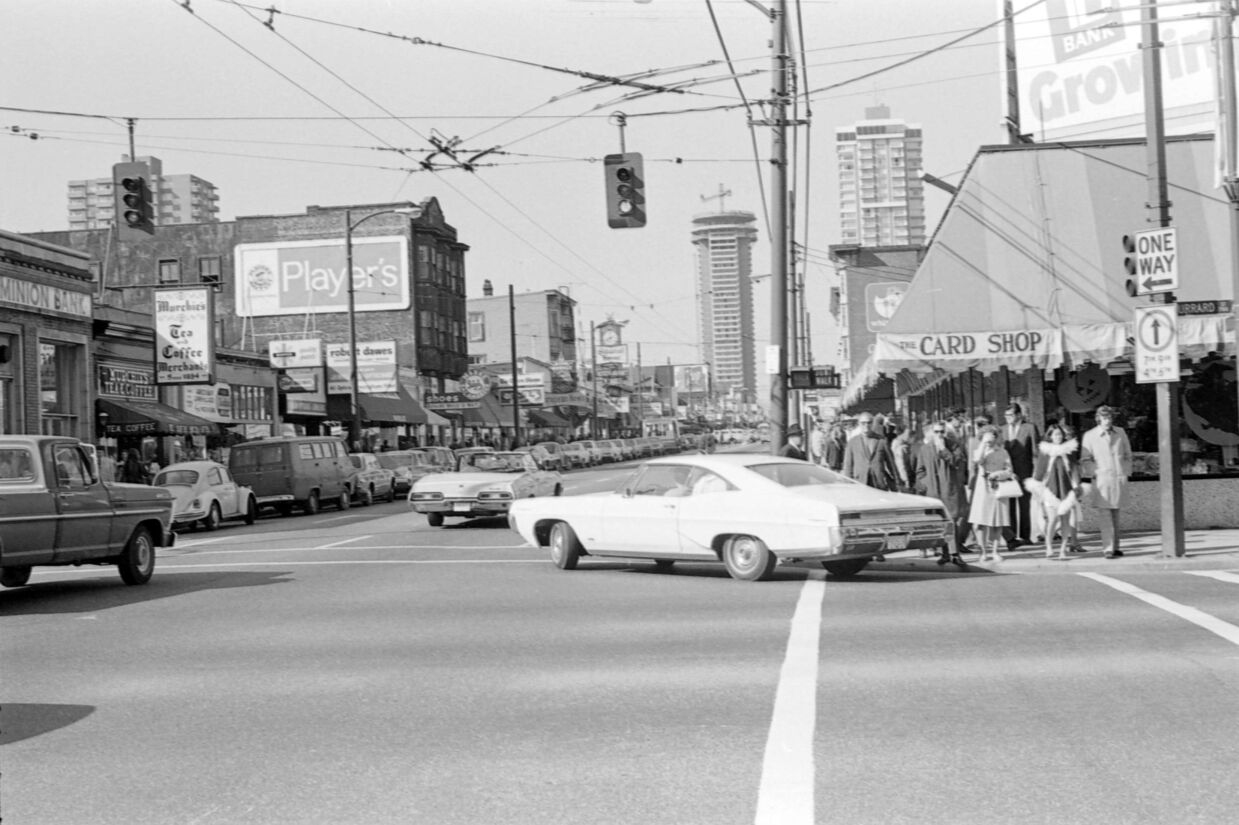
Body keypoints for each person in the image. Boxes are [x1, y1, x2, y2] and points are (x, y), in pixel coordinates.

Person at [914, 420, 969, 569]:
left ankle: (955, 554)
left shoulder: (954, 445)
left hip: (950, 489)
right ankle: (946, 553)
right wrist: (926, 483)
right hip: (934, 492)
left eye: (942, 432)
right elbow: (920, 470)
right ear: (932, 432)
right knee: (941, 523)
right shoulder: (925, 449)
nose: (939, 435)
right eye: (936, 432)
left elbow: (957, 462)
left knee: (952, 522)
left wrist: (944, 450)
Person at [1080, 406, 1132, 559]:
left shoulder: (1120, 432)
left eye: (1109, 418)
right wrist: (1094, 472)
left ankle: (1115, 547)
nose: (1107, 421)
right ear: (1098, 419)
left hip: (1118, 478)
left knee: (1116, 513)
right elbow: (1085, 459)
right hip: (1102, 480)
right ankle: (1107, 548)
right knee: (1104, 515)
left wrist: (1125, 471)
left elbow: (1128, 453)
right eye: (1104, 418)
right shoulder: (1090, 436)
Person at [1025, 423, 1083, 560]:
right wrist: (1036, 488)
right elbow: (1039, 472)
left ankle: (1063, 550)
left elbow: (1074, 470)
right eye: (1055, 434)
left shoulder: (1069, 450)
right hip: (1050, 489)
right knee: (1052, 519)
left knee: (1065, 521)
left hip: (1066, 488)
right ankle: (1049, 546)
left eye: (1060, 434)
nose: (1059, 436)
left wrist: (1077, 487)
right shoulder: (1045, 451)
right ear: (1050, 436)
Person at [967, 425, 1013, 563]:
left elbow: (1009, 470)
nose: (990, 439)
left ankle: (995, 551)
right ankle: (983, 551)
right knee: (980, 522)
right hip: (983, 489)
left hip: (998, 488)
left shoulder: (1003, 452)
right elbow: (977, 461)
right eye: (987, 436)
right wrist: (983, 443)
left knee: (997, 522)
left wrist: (998, 474)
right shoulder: (980, 450)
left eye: (992, 436)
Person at [1001, 403, 1039, 550]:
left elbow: (1036, 451)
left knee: (1024, 505)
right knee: (1009, 506)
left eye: (1010, 415)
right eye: (1006, 416)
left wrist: (1036, 474)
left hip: (1025, 471)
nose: (1008, 418)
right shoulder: (1002, 429)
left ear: (1018, 415)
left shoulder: (1029, 428)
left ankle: (1025, 536)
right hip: (1008, 472)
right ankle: (1012, 537)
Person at [841, 412, 898, 491]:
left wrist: (897, 481)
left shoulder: (881, 441)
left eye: (869, 423)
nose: (866, 426)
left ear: (873, 423)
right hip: (859, 482)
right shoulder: (853, 442)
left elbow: (891, 464)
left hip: (878, 483)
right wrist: (848, 485)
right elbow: (848, 465)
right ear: (859, 424)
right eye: (863, 423)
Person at [890, 423, 921, 494]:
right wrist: (906, 481)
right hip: (903, 479)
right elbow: (901, 465)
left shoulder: (903, 445)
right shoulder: (899, 447)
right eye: (907, 433)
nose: (908, 435)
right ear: (902, 434)